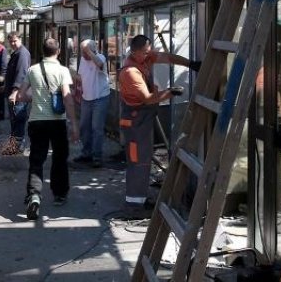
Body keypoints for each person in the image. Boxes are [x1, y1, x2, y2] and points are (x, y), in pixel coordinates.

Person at [118, 34, 201, 217]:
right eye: (146, 53)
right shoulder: (130, 72)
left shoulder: (145, 57)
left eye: (150, 51)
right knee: (138, 161)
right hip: (134, 122)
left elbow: (169, 57)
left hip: (142, 120)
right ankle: (133, 206)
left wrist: (191, 64)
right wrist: (170, 93)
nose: (149, 55)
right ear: (135, 52)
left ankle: (139, 198)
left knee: (144, 159)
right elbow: (147, 99)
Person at [13, 37, 79, 220]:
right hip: (57, 121)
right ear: (58, 51)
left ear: (42, 51)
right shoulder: (62, 70)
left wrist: (35, 97)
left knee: (36, 159)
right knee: (59, 158)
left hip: (37, 121)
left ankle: (34, 195)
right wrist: (74, 124)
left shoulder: (32, 70)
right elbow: (67, 97)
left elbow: (21, 95)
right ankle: (59, 194)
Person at [74, 39, 111, 168]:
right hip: (86, 98)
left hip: (100, 97)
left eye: (84, 51)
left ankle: (97, 156)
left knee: (97, 128)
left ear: (91, 50)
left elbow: (100, 65)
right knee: (84, 127)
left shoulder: (100, 57)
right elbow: (81, 77)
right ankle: (86, 153)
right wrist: (72, 76)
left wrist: (88, 51)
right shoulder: (83, 60)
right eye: (82, 51)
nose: (83, 54)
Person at [2, 31, 32, 153]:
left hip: (18, 95)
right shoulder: (16, 53)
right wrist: (5, 86)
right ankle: (13, 146)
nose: (13, 43)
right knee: (14, 121)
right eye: (11, 41)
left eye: (15, 41)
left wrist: (15, 92)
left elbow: (21, 74)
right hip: (13, 93)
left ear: (20, 39)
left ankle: (16, 147)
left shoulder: (23, 54)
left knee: (18, 120)